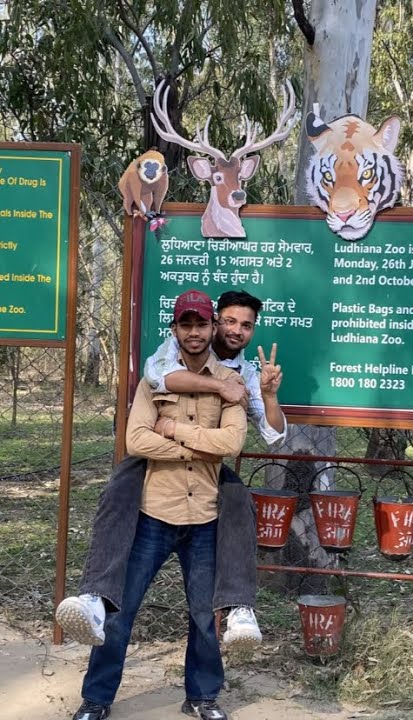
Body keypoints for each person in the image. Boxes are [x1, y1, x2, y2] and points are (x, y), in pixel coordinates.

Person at [57, 290, 286, 654]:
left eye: (246, 325)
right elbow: (151, 401)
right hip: (156, 483)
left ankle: (239, 609)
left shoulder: (244, 375)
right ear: (216, 323)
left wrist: (268, 396)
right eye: (229, 321)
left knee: (238, 498)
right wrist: (216, 396)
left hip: (205, 489)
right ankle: (94, 597)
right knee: (120, 485)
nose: (236, 331)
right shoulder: (168, 353)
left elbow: (261, 436)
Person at [71, 289, 247, 720]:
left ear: (212, 327)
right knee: (119, 608)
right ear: (175, 329)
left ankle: (202, 696)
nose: (194, 332)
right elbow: (136, 441)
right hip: (153, 513)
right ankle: (96, 699)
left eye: (201, 324)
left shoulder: (230, 383)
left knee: (204, 615)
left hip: (205, 517)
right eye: (186, 325)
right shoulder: (156, 378)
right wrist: (199, 449)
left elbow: (232, 442)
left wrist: (173, 431)